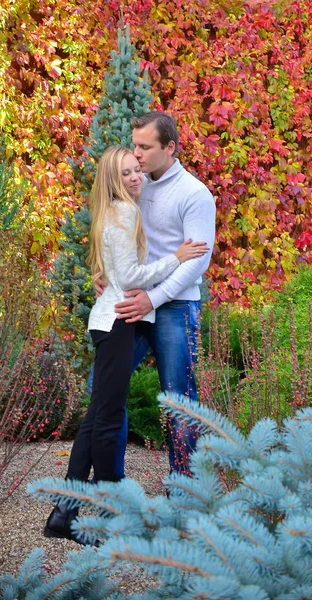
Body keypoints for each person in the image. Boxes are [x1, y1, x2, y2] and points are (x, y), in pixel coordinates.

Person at [44, 145, 208, 544]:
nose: (136, 177)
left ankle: (64, 513)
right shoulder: (126, 210)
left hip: (111, 319)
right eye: (127, 172)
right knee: (109, 419)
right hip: (119, 321)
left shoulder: (113, 209)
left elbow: (116, 268)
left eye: (138, 169)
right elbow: (133, 274)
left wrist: (107, 273)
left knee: (98, 416)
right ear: (113, 179)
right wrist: (177, 256)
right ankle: (107, 516)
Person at [96, 111, 216, 476]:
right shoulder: (135, 182)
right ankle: (111, 487)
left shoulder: (194, 195)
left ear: (170, 147)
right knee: (102, 390)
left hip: (174, 306)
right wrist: (103, 271)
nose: (137, 155)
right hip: (134, 301)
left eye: (145, 147)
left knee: (178, 400)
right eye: (135, 146)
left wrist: (154, 298)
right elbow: (115, 232)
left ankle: (185, 491)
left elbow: (196, 262)